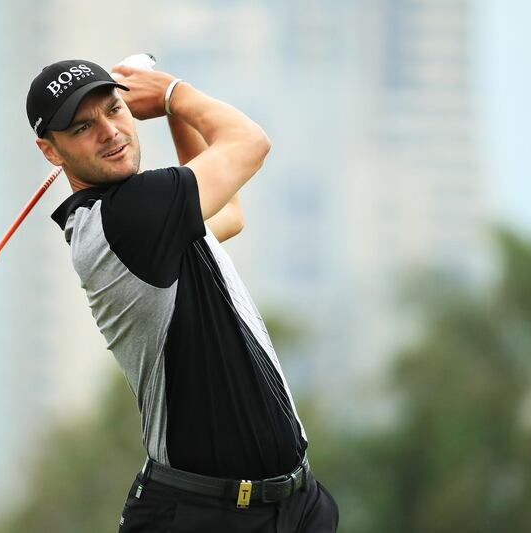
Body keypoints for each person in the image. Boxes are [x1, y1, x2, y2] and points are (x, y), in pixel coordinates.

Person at [26, 58, 339, 533]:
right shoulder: (128, 216)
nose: (110, 132)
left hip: (295, 506)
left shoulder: (154, 219)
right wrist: (172, 93)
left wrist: (172, 114)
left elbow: (229, 212)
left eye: (115, 109)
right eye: (83, 127)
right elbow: (250, 143)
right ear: (51, 151)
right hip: (201, 515)